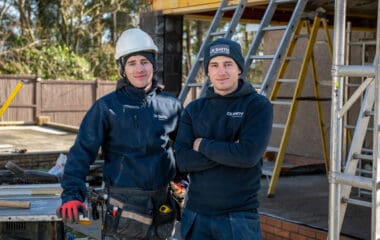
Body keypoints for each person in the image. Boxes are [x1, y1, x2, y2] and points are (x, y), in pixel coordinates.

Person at [57, 28, 186, 240]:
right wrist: (72, 194)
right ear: (122, 69)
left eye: (144, 61)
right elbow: (81, 153)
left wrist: (183, 182)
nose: (139, 69)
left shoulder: (171, 105)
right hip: (123, 209)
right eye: (131, 63)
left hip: (163, 208)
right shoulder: (107, 108)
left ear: (153, 64)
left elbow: (184, 148)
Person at [174, 38, 273, 240]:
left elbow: (248, 156)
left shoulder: (257, 106)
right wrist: (230, 151)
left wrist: (202, 144)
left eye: (228, 64)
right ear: (208, 71)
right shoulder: (194, 110)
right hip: (196, 216)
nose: (221, 72)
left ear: (239, 68)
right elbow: (182, 160)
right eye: (214, 65)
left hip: (238, 218)